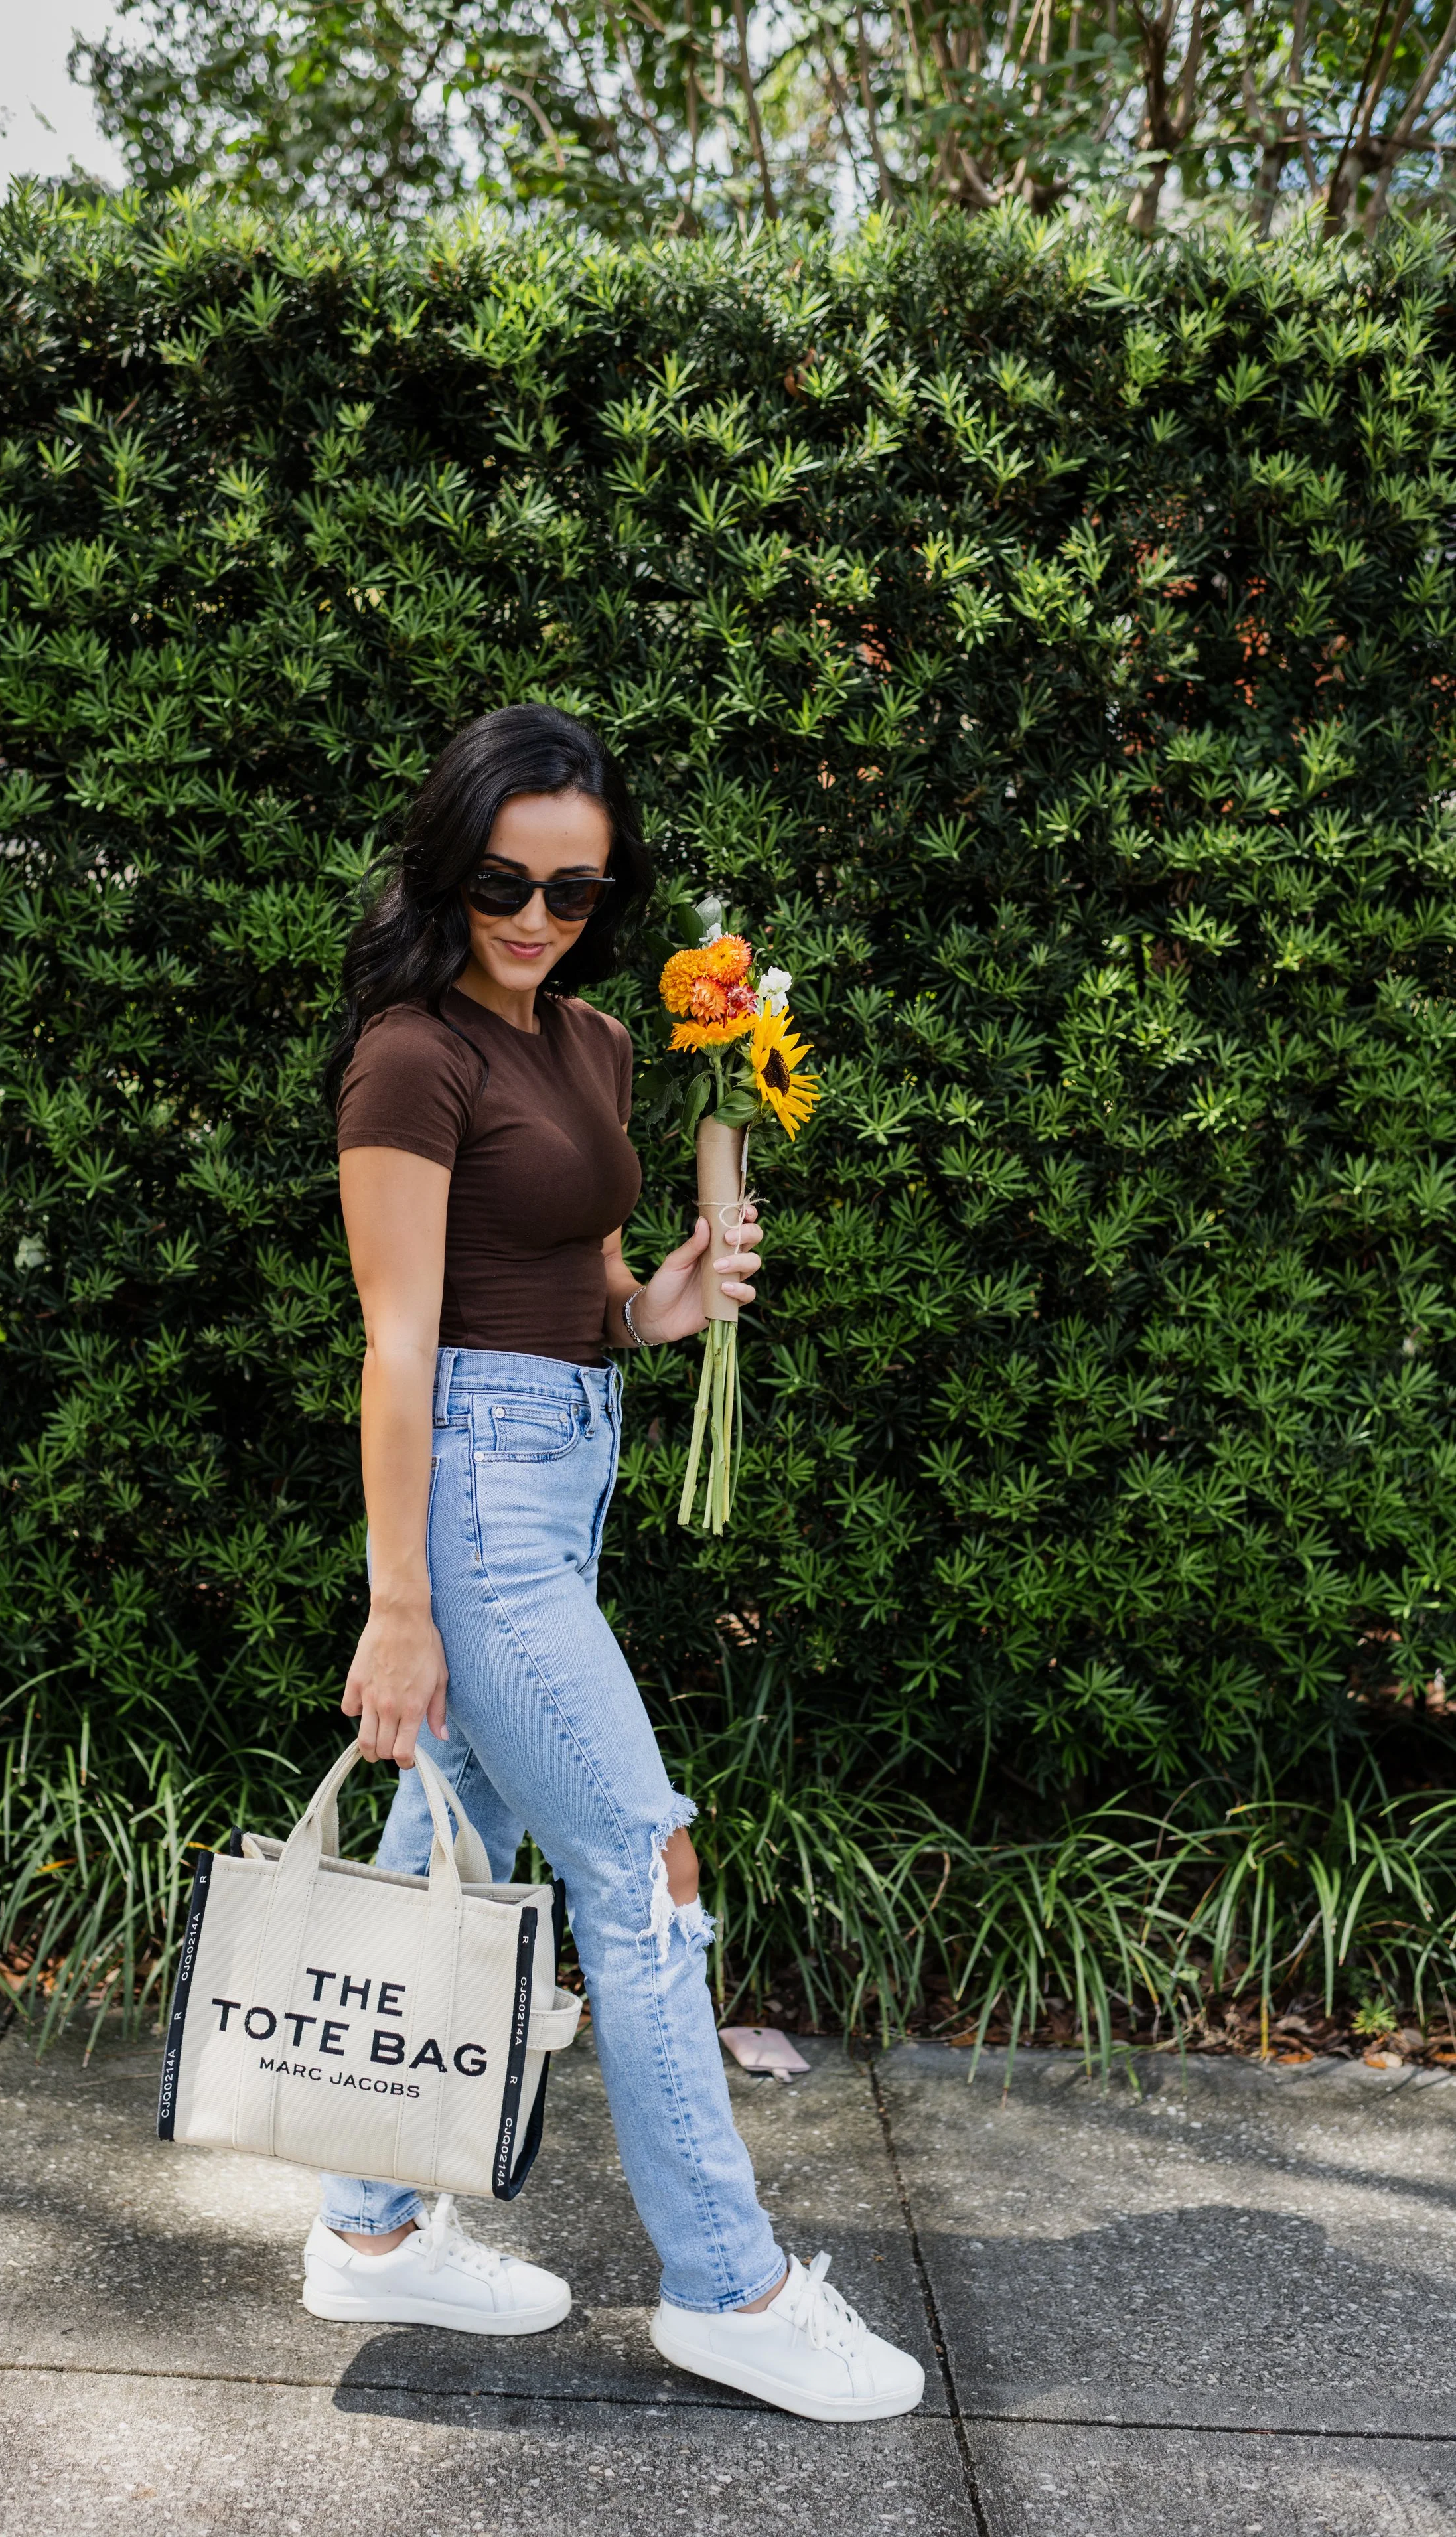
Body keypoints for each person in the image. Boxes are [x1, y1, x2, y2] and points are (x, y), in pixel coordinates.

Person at [301, 703, 923, 2422]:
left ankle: (365, 2225)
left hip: (564, 1468)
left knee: (462, 1850)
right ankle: (732, 2283)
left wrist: (661, 1304)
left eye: (572, 890)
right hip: (478, 1514)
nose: (532, 913)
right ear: (451, 859)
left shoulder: (586, 1042)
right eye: (502, 877)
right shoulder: (409, 1055)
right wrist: (401, 1603)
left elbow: (584, 1297)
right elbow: (401, 1342)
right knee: (645, 1872)